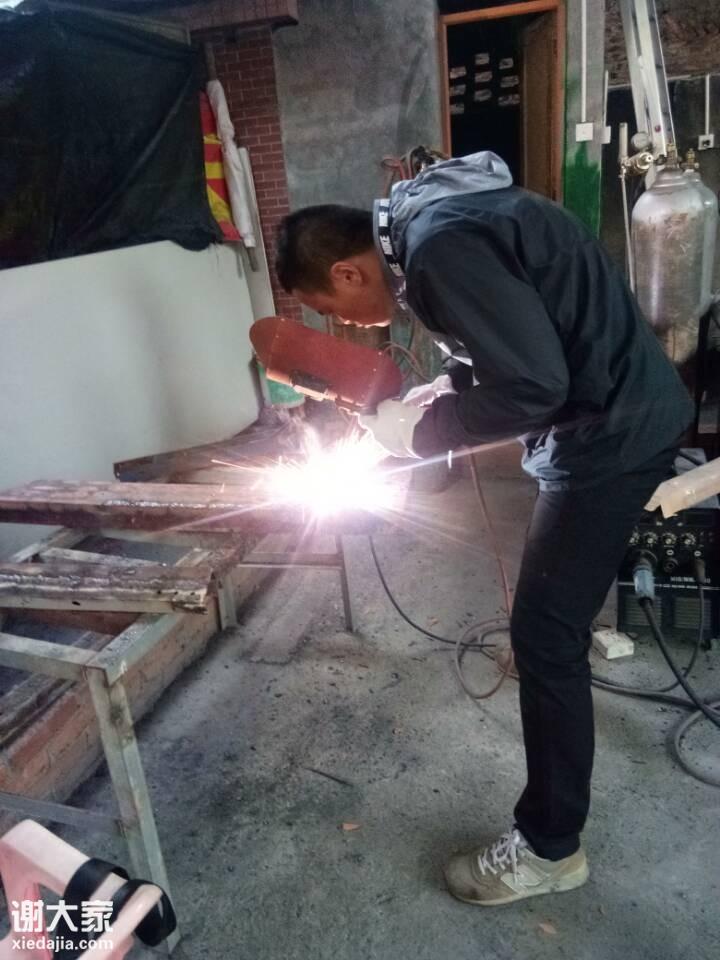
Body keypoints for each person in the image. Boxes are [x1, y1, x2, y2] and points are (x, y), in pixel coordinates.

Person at [274, 151, 694, 907]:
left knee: (546, 637)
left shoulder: (437, 249)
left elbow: (534, 385)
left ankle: (549, 849)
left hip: (610, 436)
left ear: (346, 272)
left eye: (333, 311)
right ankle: (551, 837)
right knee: (548, 631)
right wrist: (446, 387)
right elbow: (512, 333)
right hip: (615, 414)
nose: (345, 325)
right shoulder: (437, 225)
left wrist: (423, 433)